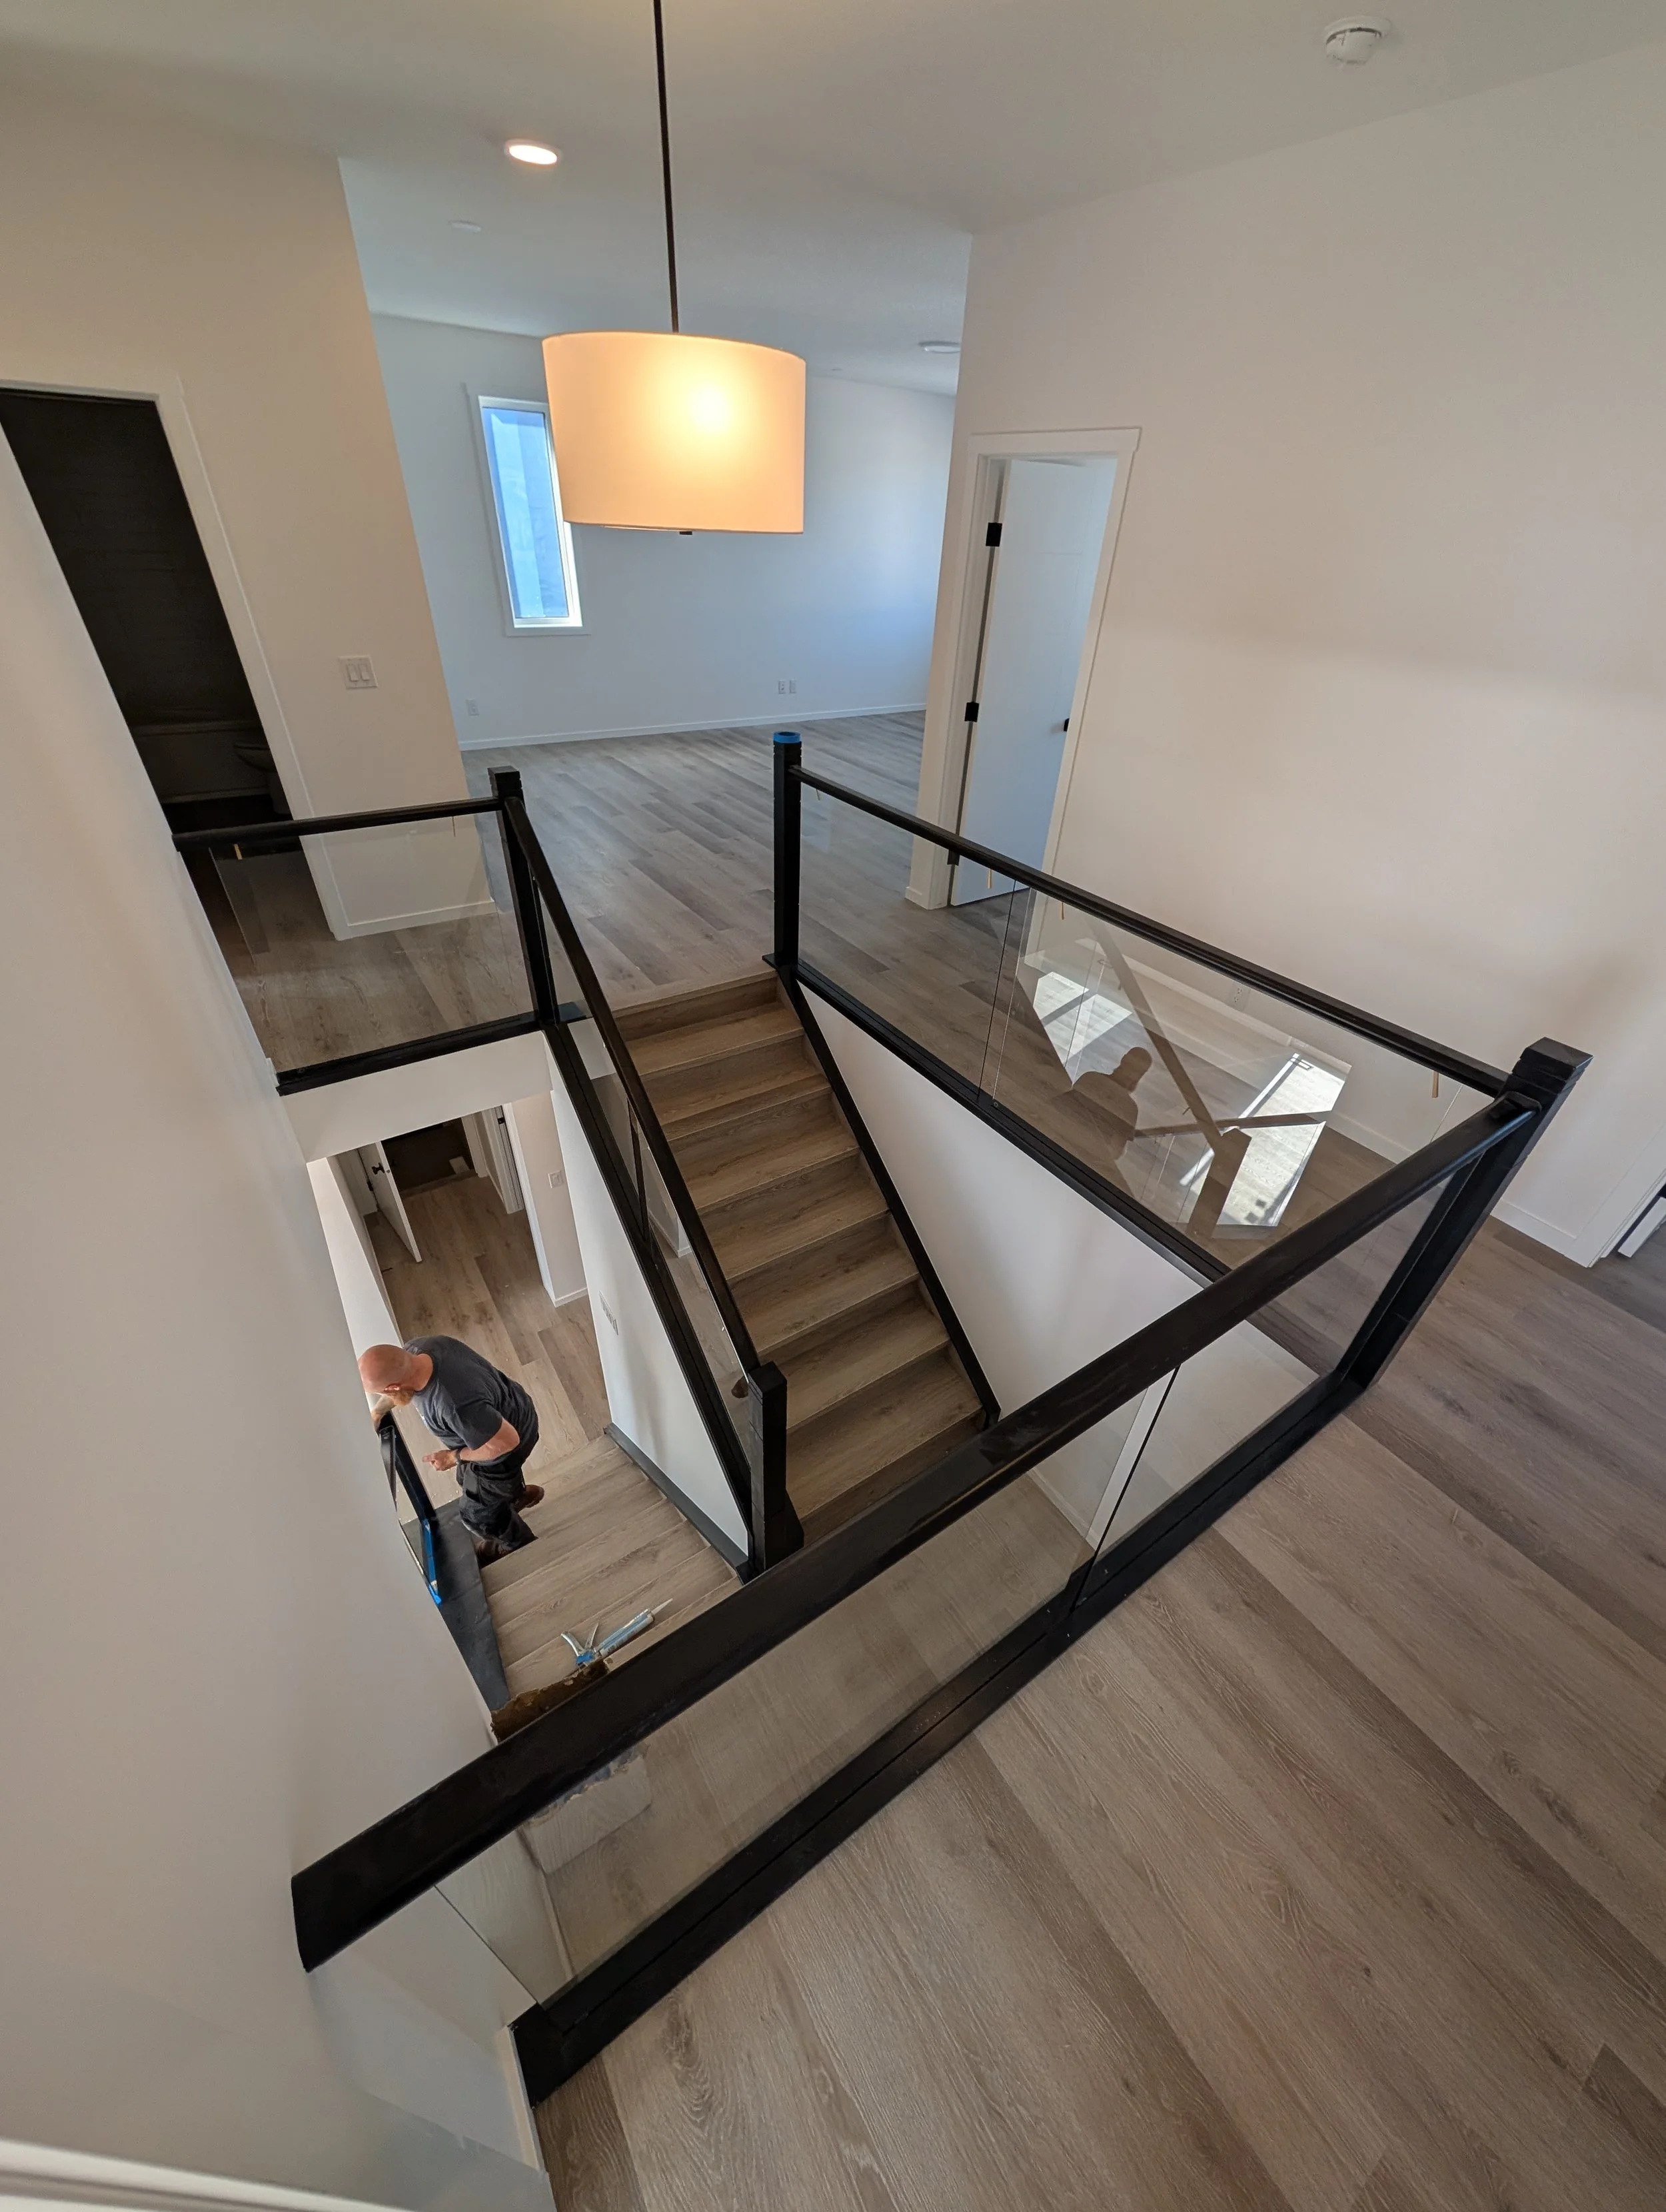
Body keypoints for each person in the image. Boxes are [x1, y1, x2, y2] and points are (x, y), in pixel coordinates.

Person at [359, 1337, 542, 1563]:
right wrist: (377, 1414)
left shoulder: (454, 1405)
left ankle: (519, 1543)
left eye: (381, 1393)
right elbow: (399, 1390)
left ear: (393, 1387)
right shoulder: (422, 1347)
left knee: (475, 1515)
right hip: (514, 1406)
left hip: (508, 1445)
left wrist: (453, 1457)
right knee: (466, 1478)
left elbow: (505, 1443)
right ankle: (516, 1497)